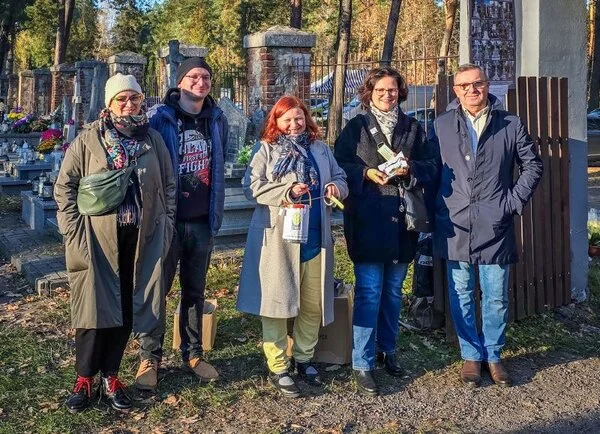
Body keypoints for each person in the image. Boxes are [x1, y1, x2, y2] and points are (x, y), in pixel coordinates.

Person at [54, 73, 176, 413]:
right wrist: (73, 231)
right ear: (109, 103)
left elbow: (169, 186)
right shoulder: (88, 141)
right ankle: (84, 378)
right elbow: (65, 187)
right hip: (95, 239)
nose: (128, 104)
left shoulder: (152, 140)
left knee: (125, 306)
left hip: (139, 239)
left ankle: (111, 375)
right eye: (121, 99)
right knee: (92, 308)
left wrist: (165, 226)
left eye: (134, 98)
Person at [433, 63, 542, 388]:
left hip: (495, 224)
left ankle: (493, 355)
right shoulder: (441, 125)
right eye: (464, 85)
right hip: (455, 223)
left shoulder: (510, 123)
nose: (472, 89)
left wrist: (511, 202)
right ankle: (471, 355)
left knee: (495, 296)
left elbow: (533, 165)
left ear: (487, 85)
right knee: (461, 294)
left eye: (477, 83)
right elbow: (431, 169)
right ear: (456, 90)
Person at [334, 67, 439, 396]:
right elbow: (340, 165)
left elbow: (432, 166)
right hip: (367, 221)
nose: (386, 95)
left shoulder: (414, 128)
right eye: (380, 90)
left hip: (403, 224)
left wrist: (410, 170)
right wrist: (365, 173)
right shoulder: (355, 127)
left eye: (392, 90)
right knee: (369, 293)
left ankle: (387, 349)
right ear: (370, 93)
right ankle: (362, 362)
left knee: (393, 292)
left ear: (400, 92)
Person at [237, 95, 348, 398]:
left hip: (315, 240)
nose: (294, 124)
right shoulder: (266, 149)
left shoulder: (320, 149)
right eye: (287, 119)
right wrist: (286, 191)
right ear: (276, 121)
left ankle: (303, 357)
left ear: (306, 118)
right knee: (276, 305)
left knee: (313, 304)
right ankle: (278, 366)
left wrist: (336, 187)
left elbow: (340, 176)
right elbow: (251, 187)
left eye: (298, 118)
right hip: (278, 241)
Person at [135, 57, 229, 390]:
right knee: (157, 289)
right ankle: (150, 357)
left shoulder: (216, 119)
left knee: (194, 291)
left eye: (206, 77)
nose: (200, 83)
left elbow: (220, 160)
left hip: (202, 220)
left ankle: (193, 354)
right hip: (167, 221)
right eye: (193, 77)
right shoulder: (161, 118)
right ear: (179, 82)